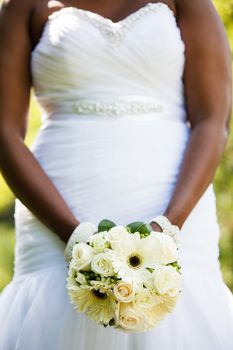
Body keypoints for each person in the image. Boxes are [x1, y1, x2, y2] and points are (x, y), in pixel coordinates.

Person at [0, 0, 233, 348]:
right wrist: (74, 234)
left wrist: (168, 228)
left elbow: (213, 122)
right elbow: (4, 132)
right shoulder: (25, 5)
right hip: (58, 200)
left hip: (175, 198)